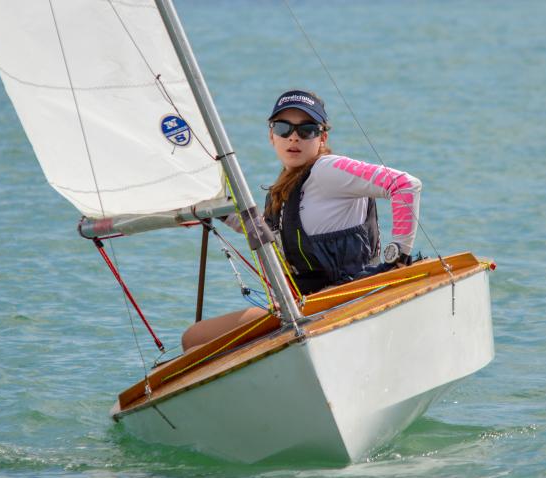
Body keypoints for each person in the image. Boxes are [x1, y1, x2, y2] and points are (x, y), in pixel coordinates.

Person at [181, 89, 422, 351]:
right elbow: (269, 232)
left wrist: (399, 255)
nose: (294, 136)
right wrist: (212, 210)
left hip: (342, 302)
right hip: (304, 305)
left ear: (322, 137)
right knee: (194, 339)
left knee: (197, 342)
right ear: (271, 136)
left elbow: (404, 184)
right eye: (284, 128)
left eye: (306, 129)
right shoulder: (288, 186)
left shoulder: (326, 170)